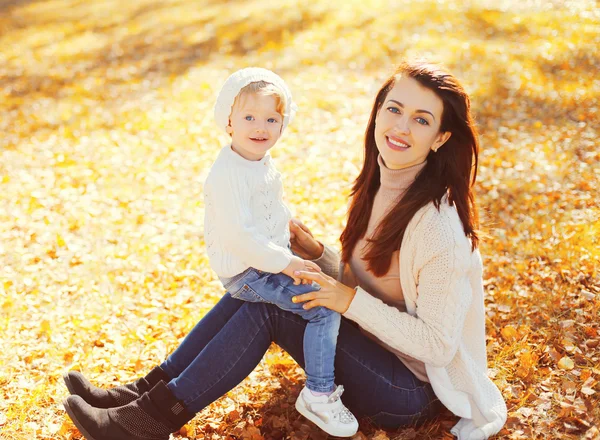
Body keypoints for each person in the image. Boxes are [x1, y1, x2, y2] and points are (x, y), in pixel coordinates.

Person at [62, 61, 507, 440]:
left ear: (442, 138)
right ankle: (141, 392)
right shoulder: (381, 185)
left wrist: (345, 298)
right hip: (375, 349)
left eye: (422, 119)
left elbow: (437, 344)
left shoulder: (439, 229)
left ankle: (148, 420)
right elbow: (380, 287)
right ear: (378, 112)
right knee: (256, 283)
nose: (400, 127)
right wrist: (320, 256)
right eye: (394, 109)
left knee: (270, 306)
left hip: (411, 391)